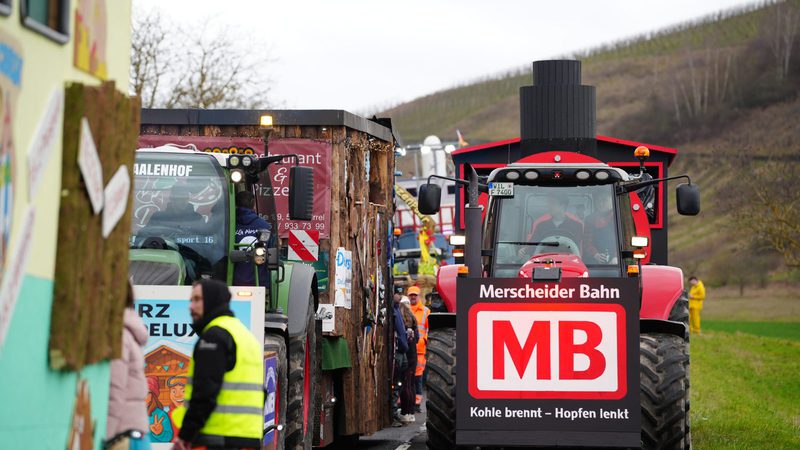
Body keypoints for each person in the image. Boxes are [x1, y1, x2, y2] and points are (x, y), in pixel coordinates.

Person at [171, 279, 264, 450]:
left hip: (217, 439)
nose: (191, 307)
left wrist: (185, 436)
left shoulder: (214, 336)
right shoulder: (245, 335)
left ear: (212, 299)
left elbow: (205, 392)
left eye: (197, 300)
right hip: (248, 438)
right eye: (191, 300)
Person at [106, 282, 151, 450]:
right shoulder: (128, 333)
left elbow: (115, 391)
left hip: (120, 436)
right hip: (135, 433)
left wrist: (106, 437)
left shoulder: (118, 335)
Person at [520, 194, 583, 258]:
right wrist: (524, 251)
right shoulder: (541, 226)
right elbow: (533, 245)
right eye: (549, 204)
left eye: (553, 203)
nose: (549, 207)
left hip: (568, 262)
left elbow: (575, 248)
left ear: (562, 206)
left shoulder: (576, 226)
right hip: (545, 261)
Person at [233, 190, 272, 286]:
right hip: (258, 283)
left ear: (235, 204)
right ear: (253, 204)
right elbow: (271, 255)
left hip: (229, 281)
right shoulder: (265, 226)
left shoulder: (227, 226)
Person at [407, 286, 430, 412]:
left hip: (420, 350)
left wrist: (424, 340)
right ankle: (406, 402)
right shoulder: (405, 309)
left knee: (417, 377)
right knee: (407, 376)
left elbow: (429, 329)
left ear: (419, 296)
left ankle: (416, 403)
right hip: (408, 348)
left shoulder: (426, 311)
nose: (413, 297)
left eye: (415, 295)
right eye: (411, 295)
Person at [398, 301, 419, 424]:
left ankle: (405, 413)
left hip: (406, 356)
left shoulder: (403, 325)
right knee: (411, 385)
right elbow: (418, 339)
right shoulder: (414, 323)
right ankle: (411, 412)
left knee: (405, 385)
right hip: (414, 356)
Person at [391, 291, 409, 427]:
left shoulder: (397, 309)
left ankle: (394, 411)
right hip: (397, 351)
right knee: (394, 384)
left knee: (399, 383)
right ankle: (392, 413)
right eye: (397, 293)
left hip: (402, 351)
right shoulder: (392, 310)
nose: (399, 295)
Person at [584, 193, 617, 264]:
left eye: (604, 200)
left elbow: (625, 240)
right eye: (598, 201)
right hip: (594, 260)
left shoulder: (620, 217)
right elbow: (586, 240)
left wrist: (616, 257)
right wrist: (595, 254)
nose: (600, 203)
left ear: (612, 200)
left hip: (616, 261)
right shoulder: (590, 219)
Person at [146, 377, 174, 443]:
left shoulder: (161, 415)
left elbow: (169, 437)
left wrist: (160, 433)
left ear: (153, 396)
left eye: (147, 393)